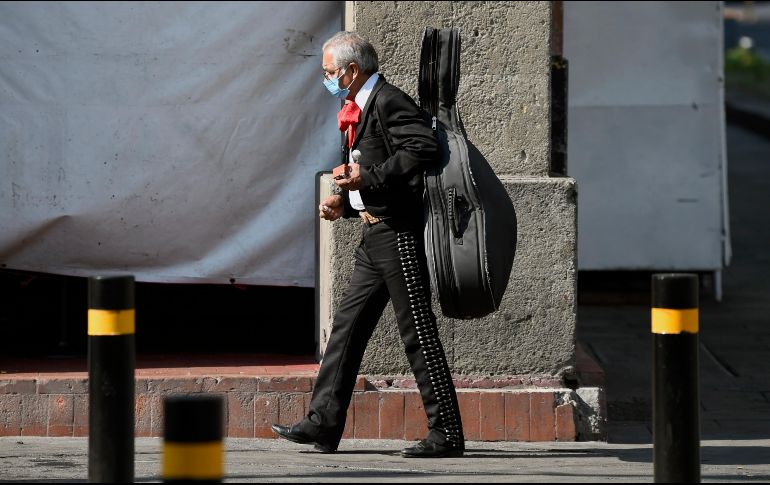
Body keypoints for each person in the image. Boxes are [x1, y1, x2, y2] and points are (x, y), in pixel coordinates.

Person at [271, 31, 464, 458]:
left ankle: (446, 431)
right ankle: (322, 424)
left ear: (352, 70)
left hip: (398, 234)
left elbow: (423, 148)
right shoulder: (359, 106)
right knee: (347, 328)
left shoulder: (389, 100)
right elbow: (372, 170)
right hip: (374, 233)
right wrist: (347, 203)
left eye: (329, 72)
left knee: (418, 333)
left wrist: (367, 180)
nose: (327, 80)